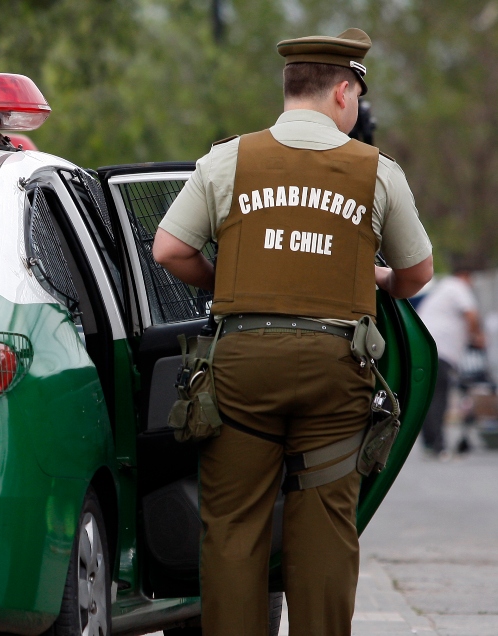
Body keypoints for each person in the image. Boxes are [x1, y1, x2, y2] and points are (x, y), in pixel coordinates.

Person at [151, 28, 433, 636]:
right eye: (356, 94)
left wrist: (221, 276)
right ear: (341, 92)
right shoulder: (376, 170)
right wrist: (377, 279)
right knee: (328, 524)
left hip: (243, 364)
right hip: (338, 369)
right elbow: (418, 273)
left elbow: (168, 248)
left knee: (232, 525)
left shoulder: (228, 158)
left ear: (289, 89)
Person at [416, 263, 486, 459]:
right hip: (440, 351)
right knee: (439, 398)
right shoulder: (457, 286)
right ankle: (438, 446)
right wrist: (478, 336)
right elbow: (471, 313)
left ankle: (431, 443)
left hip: (427, 349)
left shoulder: (443, 289)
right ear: (465, 275)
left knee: (430, 397)